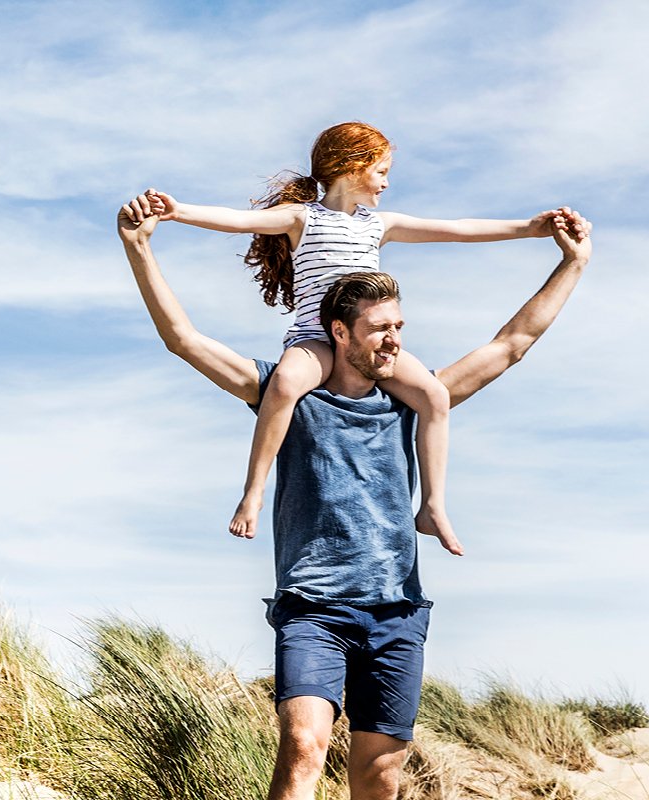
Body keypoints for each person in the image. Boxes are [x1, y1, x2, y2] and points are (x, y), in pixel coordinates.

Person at [116, 194, 593, 800]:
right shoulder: (283, 394)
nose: (394, 342)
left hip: (395, 611)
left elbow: (510, 344)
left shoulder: (410, 402)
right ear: (340, 333)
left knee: (378, 774)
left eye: (400, 328)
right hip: (313, 607)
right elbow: (183, 339)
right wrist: (140, 248)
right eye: (380, 330)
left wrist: (571, 264)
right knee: (303, 747)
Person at [130, 121, 574, 554]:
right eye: (381, 171)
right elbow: (238, 220)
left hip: (369, 341)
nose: (385, 183)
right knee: (284, 385)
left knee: (435, 397)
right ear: (352, 165)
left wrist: (530, 228)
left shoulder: (379, 224)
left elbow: (457, 229)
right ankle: (253, 491)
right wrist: (177, 211)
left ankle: (433, 505)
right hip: (315, 340)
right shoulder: (301, 217)